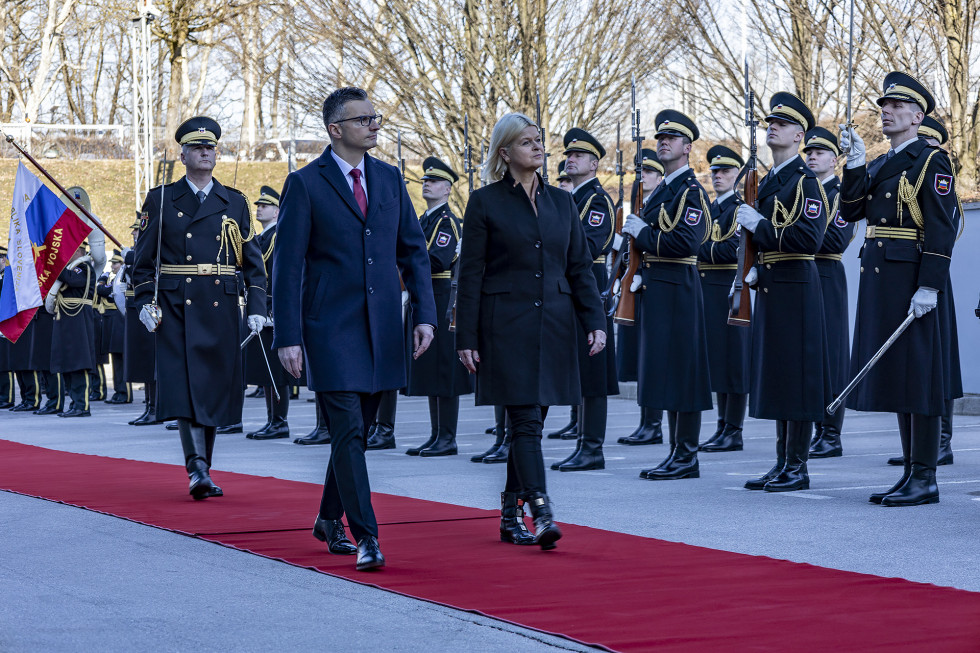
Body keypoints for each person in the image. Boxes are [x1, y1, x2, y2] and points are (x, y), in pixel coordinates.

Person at [273, 87, 436, 571]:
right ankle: (366, 535)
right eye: (362, 119)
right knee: (346, 428)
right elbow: (287, 264)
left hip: (382, 323)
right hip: (329, 327)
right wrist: (288, 335)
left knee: (357, 432)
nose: (374, 125)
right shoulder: (305, 184)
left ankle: (327, 517)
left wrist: (424, 314)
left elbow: (413, 251)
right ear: (335, 129)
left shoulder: (388, 179)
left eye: (375, 117)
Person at [456, 112, 606, 549]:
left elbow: (579, 267)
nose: (538, 147)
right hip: (505, 326)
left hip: (556, 325)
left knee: (532, 425)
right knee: (523, 422)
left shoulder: (562, 202)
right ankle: (539, 508)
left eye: (539, 140)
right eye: (526, 142)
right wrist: (465, 336)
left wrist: (593, 321)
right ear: (505, 153)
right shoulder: (485, 202)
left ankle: (507, 513)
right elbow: (471, 275)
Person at [839, 72, 960, 506]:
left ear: (917, 115)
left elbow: (942, 229)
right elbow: (852, 210)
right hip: (882, 278)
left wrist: (929, 285)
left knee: (920, 377)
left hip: (911, 278)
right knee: (902, 379)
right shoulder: (880, 162)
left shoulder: (931, 161)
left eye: (896, 107)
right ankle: (911, 471)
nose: (886, 112)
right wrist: (852, 167)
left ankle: (925, 477)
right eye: (883, 107)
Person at [133, 116, 267, 500]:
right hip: (176, 305)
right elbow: (143, 262)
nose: (205, 153)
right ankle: (197, 468)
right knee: (183, 385)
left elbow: (253, 263)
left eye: (210, 148)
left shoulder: (235, 201)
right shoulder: (161, 198)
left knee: (210, 386)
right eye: (197, 148)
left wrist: (257, 306)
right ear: (183, 155)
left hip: (220, 304)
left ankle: (202, 467)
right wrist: (144, 300)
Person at [735, 92, 830, 492]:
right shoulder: (771, 179)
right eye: (770, 122)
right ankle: (782, 462)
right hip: (774, 285)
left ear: (799, 135)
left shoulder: (804, 181)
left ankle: (798, 466)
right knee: (779, 376)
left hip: (796, 285)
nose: (772, 127)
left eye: (782, 123)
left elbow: (810, 237)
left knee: (797, 377)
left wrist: (759, 226)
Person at [621, 110, 713, 481]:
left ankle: (687, 455)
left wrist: (643, 234)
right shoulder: (662, 188)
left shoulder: (690, 190)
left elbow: (688, 241)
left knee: (684, 372)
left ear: (687, 147)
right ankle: (676, 451)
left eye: (671, 138)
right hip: (660, 286)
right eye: (660, 138)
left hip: (679, 286)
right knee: (668, 373)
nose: (663, 143)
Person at [884, 115, 959, 468]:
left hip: (932, 274)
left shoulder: (936, 168)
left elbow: (945, 228)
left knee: (932, 367)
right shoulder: (902, 169)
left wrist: (930, 282)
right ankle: (917, 449)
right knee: (909, 368)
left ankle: (940, 442)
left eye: (929, 140)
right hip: (915, 274)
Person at [551, 127, 618, 472]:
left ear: (593, 164)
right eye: (568, 155)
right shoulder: (570, 199)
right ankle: (582, 442)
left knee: (592, 371)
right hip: (568, 286)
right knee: (578, 367)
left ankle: (592, 446)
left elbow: (592, 244)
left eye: (577, 156)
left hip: (588, 284)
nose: (570, 159)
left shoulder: (597, 200)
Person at [403, 156, 473, 457]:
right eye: (425, 181)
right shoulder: (424, 220)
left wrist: (404, 261)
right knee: (431, 369)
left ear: (447, 189)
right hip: (426, 295)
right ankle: (436, 434)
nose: (426, 184)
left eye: (433, 181)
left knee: (445, 369)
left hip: (442, 296)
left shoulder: (447, 222)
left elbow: (437, 260)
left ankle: (448, 437)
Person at [697, 145, 750, 453]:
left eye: (726, 172)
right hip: (709, 289)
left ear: (737, 176)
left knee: (735, 360)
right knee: (718, 361)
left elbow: (732, 249)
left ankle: (734, 429)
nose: (718, 176)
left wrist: (697, 250)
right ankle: (722, 426)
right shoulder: (711, 209)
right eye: (715, 172)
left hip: (731, 287)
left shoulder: (739, 208)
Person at [803, 127, 852, 458]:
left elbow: (836, 240)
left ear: (834, 159)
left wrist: (799, 236)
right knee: (807, 355)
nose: (811, 156)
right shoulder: (802, 191)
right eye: (808, 152)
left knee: (831, 356)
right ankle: (811, 425)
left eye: (819, 152)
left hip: (827, 273)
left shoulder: (842, 194)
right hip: (803, 274)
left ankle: (830, 432)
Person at [617, 149, 666, 447]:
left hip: (657, 284)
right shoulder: (641, 205)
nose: (643, 177)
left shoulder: (659, 204)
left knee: (655, 360)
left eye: (649, 172)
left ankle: (653, 424)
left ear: (659, 176)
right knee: (643, 360)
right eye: (641, 172)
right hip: (640, 285)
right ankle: (646, 421)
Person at [245, 185, 291, 441]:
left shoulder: (276, 237)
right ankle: (272, 419)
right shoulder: (262, 238)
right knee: (265, 368)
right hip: (261, 307)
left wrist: (271, 305)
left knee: (274, 367)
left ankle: (279, 420)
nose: (259, 209)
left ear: (277, 211)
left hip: (272, 307)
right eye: (258, 205)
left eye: (265, 206)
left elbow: (273, 275)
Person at [48, 242, 98, 417]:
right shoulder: (71, 268)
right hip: (66, 319)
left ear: (78, 250)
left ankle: (82, 406)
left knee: (79, 362)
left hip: (78, 319)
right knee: (67, 362)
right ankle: (74, 404)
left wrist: (55, 265)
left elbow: (72, 279)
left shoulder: (84, 267)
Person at [122, 218, 160, 425]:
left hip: (151, 308)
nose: (134, 234)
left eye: (137, 231)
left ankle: (156, 408)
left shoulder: (149, 250)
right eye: (134, 231)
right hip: (136, 309)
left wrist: (131, 256)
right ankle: (149, 406)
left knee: (151, 358)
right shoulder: (136, 252)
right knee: (143, 361)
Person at [96, 250, 132, 404]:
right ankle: (118, 391)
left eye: (115, 263)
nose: (112, 266)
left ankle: (126, 393)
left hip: (120, 319)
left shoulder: (122, 278)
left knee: (122, 358)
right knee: (116, 358)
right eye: (112, 263)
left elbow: (103, 291)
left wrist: (102, 281)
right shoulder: (113, 278)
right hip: (111, 320)